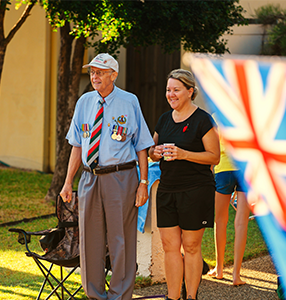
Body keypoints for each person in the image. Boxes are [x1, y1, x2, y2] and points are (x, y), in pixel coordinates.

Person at [60, 53, 154, 300]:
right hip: (89, 178)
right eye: (92, 72)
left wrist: (143, 183)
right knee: (89, 240)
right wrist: (69, 181)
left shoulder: (129, 101)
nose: (94, 76)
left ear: (114, 75)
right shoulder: (84, 102)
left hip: (120, 177)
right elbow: (77, 144)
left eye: (100, 72)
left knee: (120, 239)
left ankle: (119, 295)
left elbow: (142, 145)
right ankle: (95, 295)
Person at [149, 69, 220, 300]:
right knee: (169, 246)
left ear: (190, 91)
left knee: (190, 246)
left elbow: (214, 157)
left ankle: (191, 297)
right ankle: (172, 297)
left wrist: (184, 154)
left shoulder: (203, 120)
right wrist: (155, 152)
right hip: (168, 190)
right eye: (168, 90)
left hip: (196, 190)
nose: (171, 94)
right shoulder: (164, 119)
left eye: (176, 90)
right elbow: (151, 151)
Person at [207, 130, 251, 286]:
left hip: (223, 169)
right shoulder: (244, 113)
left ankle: (219, 269)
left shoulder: (216, 116)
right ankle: (236, 275)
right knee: (241, 222)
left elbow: (212, 148)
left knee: (220, 220)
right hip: (244, 168)